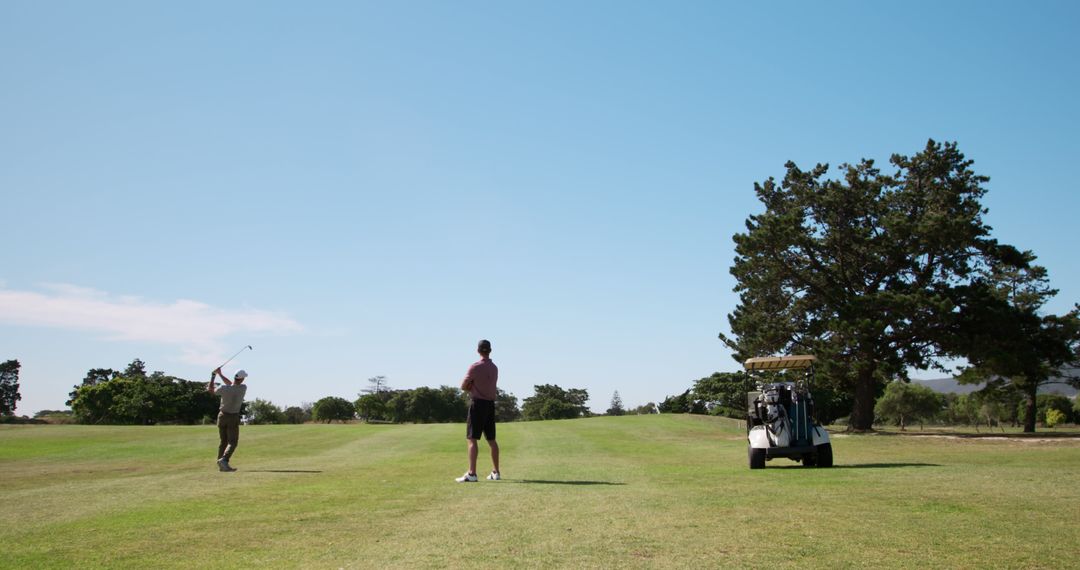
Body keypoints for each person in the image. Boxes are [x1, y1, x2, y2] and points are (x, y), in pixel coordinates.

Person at [456, 339, 500, 482]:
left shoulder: (475, 367)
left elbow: (463, 385)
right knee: (492, 440)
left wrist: (471, 387)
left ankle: (472, 473)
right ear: (490, 350)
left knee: (472, 439)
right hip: (490, 405)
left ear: (478, 350)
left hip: (478, 404)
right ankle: (496, 472)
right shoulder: (494, 368)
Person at [208, 367, 248, 472]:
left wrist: (214, 376)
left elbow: (211, 390)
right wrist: (220, 374)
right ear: (242, 379)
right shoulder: (243, 387)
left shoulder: (223, 388)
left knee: (223, 441)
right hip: (233, 417)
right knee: (233, 442)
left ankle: (221, 463)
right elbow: (232, 384)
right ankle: (224, 460)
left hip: (222, 416)